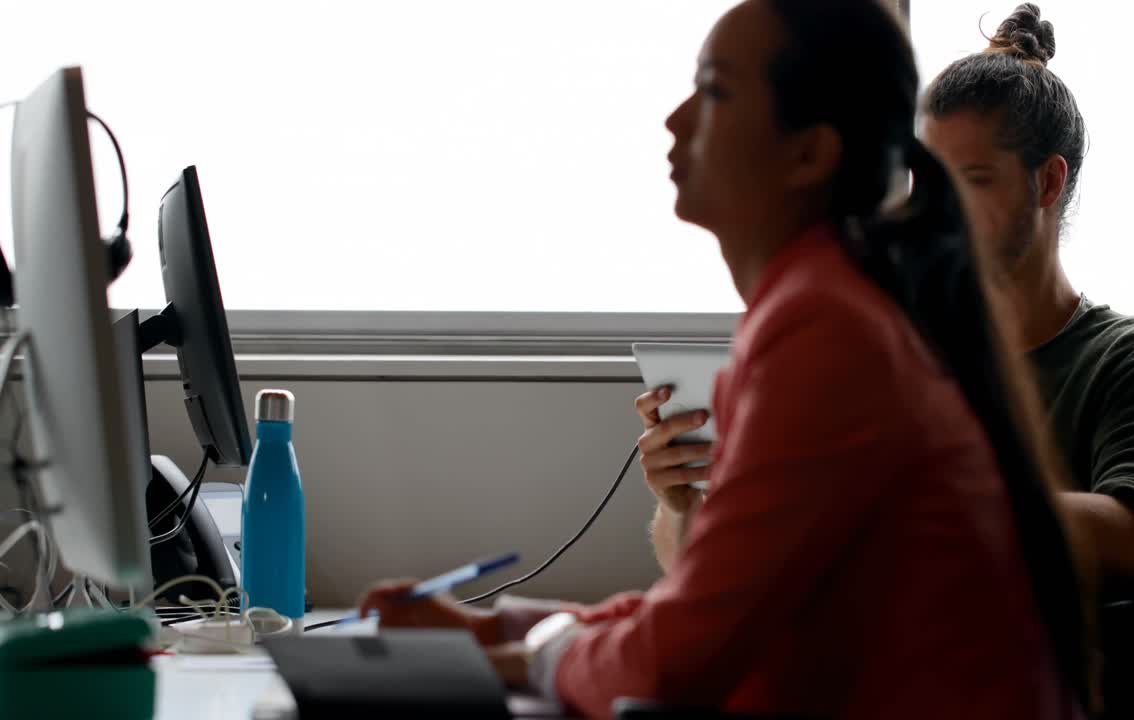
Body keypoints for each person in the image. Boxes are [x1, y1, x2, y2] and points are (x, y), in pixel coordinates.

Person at [360, 1, 1091, 717]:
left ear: (809, 152)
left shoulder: (829, 328)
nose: (675, 120)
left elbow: (677, 660)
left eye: (713, 90)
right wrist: (500, 630)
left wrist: (516, 653)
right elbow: (705, 608)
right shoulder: (824, 304)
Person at [641, 2, 1134, 585]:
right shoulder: (896, 347)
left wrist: (922, 492)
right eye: (931, 180)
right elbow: (723, 575)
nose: (939, 210)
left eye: (972, 181)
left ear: (1047, 182)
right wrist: (683, 502)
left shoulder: (1132, 359)